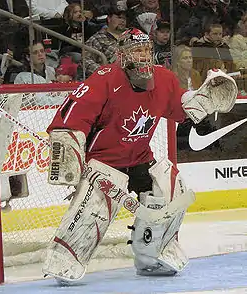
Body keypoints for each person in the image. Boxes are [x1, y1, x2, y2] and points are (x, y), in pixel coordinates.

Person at [42, 28, 237, 283]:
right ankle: (65, 257)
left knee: (170, 189)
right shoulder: (104, 79)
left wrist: (202, 103)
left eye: (146, 50)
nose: (143, 56)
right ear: (122, 56)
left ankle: (151, 255)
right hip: (105, 162)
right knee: (93, 207)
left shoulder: (164, 79)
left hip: (139, 158)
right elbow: (72, 116)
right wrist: (67, 145)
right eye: (136, 51)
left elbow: (180, 108)